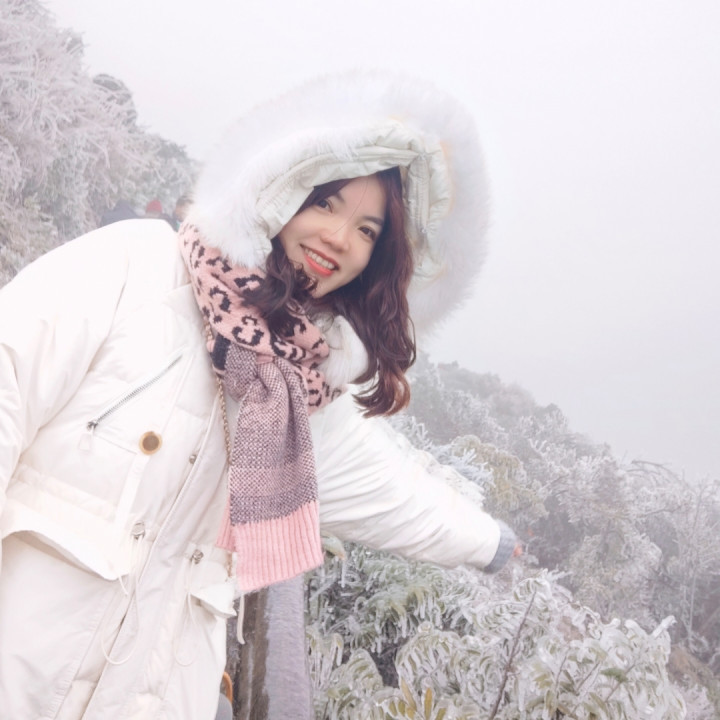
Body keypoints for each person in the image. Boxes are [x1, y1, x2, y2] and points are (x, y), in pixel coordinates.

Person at [0, 72, 519, 719]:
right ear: (279, 190)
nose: (339, 239)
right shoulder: (137, 267)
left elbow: (394, 494)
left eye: (367, 231)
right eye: (326, 204)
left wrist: (491, 544)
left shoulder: (303, 397)